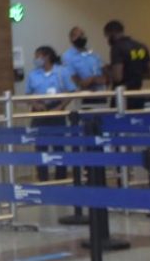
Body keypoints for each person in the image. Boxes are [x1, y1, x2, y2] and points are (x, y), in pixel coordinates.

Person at [25, 46, 76, 182]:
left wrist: (60, 107)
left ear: (46, 57)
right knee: (40, 146)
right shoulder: (33, 74)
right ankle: (43, 179)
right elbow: (28, 95)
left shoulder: (61, 72)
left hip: (56, 109)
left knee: (58, 145)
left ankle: (61, 178)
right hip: (39, 111)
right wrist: (36, 104)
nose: (36, 60)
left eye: (38, 56)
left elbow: (71, 91)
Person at [104, 20, 150, 110]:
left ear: (111, 33)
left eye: (107, 36)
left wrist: (107, 70)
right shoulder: (141, 47)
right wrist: (135, 74)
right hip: (137, 95)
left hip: (122, 98)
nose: (108, 39)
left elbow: (118, 77)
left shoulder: (117, 48)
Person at [61, 26, 105, 103]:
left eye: (83, 35)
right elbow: (74, 79)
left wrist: (97, 79)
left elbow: (102, 72)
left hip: (100, 93)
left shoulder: (92, 53)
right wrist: (90, 80)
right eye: (79, 35)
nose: (82, 37)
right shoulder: (68, 56)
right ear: (72, 38)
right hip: (83, 95)